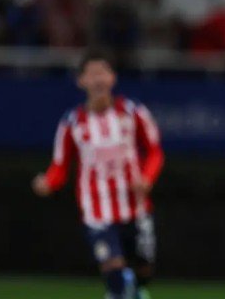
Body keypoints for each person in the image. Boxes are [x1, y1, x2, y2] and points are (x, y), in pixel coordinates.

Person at [32, 52, 164, 299]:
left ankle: (134, 288)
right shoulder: (72, 123)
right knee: (114, 271)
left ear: (113, 78)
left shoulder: (133, 112)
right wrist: (47, 182)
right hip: (97, 211)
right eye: (92, 74)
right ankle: (118, 290)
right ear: (81, 81)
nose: (98, 79)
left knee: (144, 270)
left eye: (102, 73)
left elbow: (155, 151)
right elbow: (60, 166)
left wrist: (147, 178)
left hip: (136, 208)